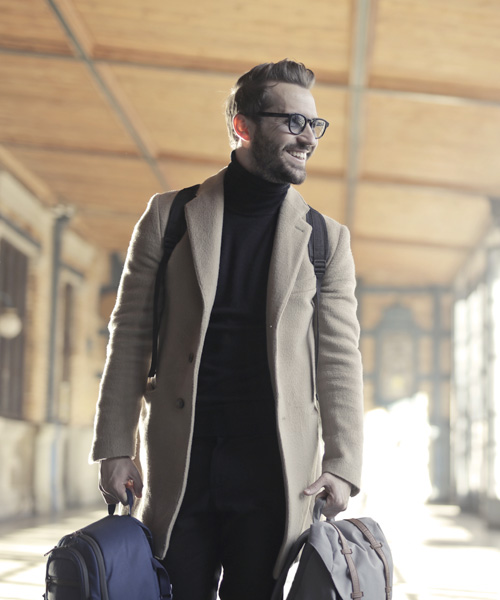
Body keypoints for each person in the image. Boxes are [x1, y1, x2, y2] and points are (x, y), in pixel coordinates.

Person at [90, 59, 364, 600]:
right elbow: (129, 335)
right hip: (179, 463)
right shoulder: (169, 216)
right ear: (242, 126)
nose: (308, 137)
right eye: (293, 122)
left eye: (315, 125)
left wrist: (343, 465)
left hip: (275, 469)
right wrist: (115, 444)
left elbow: (339, 359)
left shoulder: (325, 240)